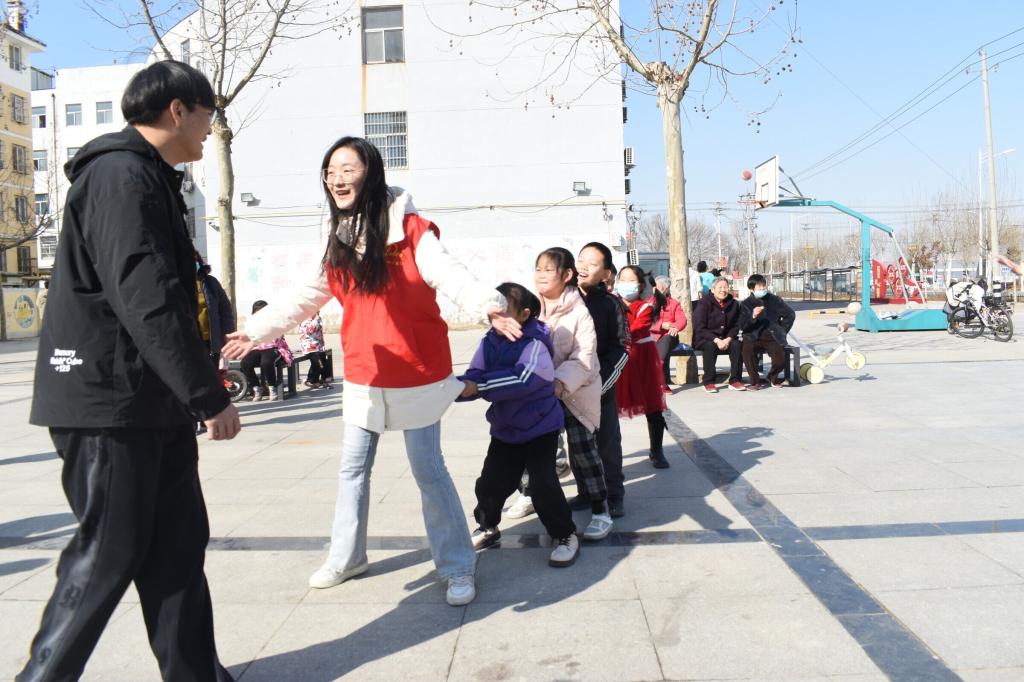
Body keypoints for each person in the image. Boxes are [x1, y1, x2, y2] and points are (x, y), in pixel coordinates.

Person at [221, 136, 515, 606]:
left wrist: (488, 305)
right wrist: (255, 330)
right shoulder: (337, 236)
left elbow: (448, 272)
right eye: (330, 171)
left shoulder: (411, 228)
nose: (337, 179)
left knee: (429, 471)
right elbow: (307, 294)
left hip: (416, 370)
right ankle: (347, 556)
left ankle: (458, 565)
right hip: (364, 369)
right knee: (353, 469)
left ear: (371, 173)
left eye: (348, 169)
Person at [21, 61, 239, 682]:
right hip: (109, 405)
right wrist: (206, 395)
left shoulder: (149, 177)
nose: (209, 129)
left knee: (177, 551)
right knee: (106, 555)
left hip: (150, 402)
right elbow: (147, 297)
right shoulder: (120, 176)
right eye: (207, 115)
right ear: (177, 110)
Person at [461, 283, 579, 567]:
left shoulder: (535, 343)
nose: (497, 315)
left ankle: (565, 534)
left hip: (540, 428)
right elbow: (475, 373)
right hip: (506, 428)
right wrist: (455, 388)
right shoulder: (489, 341)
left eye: (505, 310)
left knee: (542, 484)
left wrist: (479, 386)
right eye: (494, 309)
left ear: (525, 315)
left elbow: (524, 379)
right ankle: (487, 526)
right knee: (490, 483)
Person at [533, 246, 613, 540]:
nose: (541, 275)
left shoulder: (580, 312)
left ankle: (601, 510)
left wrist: (558, 383)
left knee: (584, 453)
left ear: (566, 275)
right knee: (533, 449)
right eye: (538, 269)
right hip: (540, 393)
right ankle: (529, 494)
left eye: (548, 269)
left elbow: (583, 357)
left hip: (576, 391)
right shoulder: (531, 307)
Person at [573, 242, 629, 516]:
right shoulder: (563, 299)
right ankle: (586, 492)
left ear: (606, 273)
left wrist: (600, 384)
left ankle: (614, 494)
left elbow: (622, 347)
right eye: (581, 260)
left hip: (600, 387)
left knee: (607, 442)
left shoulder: (610, 304)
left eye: (592, 264)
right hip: (568, 388)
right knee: (577, 444)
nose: (584, 267)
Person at [614, 266, 670, 469]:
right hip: (616, 358)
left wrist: (614, 334)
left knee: (653, 406)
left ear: (640, 285)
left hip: (641, 358)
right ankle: (608, 453)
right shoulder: (611, 303)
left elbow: (635, 329)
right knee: (608, 409)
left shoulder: (646, 306)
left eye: (631, 280)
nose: (626, 284)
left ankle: (657, 450)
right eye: (623, 280)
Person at [195, 250, 235, 433]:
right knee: (194, 380)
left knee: (211, 380)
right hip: (190, 342)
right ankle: (195, 416)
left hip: (210, 341)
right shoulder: (177, 282)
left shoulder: (210, 283)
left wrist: (227, 334)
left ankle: (208, 416)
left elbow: (225, 309)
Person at [738, 274, 795, 390]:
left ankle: (772, 377)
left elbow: (790, 315)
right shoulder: (745, 304)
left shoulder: (775, 300)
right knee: (747, 351)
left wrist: (782, 331)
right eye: (759, 287)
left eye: (764, 286)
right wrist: (753, 316)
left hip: (772, 336)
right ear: (752, 289)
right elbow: (742, 325)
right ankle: (755, 381)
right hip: (752, 336)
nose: (762, 289)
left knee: (780, 358)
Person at [692, 276, 744, 393]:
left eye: (725, 287)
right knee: (710, 346)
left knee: (737, 345)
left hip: (726, 338)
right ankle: (709, 381)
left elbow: (736, 325)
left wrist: (728, 339)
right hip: (706, 338)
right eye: (720, 287)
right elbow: (700, 327)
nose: (723, 290)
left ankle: (735, 380)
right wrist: (716, 340)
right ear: (713, 289)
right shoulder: (704, 303)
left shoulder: (734, 304)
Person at [238, 300, 293, 401]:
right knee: (245, 363)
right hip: (257, 347)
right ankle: (256, 388)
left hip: (273, 347)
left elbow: (277, 338)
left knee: (266, 362)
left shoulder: (275, 321)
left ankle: (272, 387)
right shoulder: (251, 323)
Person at [652, 274, 687, 390]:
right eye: (655, 287)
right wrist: (661, 325)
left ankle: (659, 380)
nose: (657, 290)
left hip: (669, 337)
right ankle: (662, 381)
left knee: (666, 339)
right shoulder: (649, 303)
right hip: (652, 337)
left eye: (660, 287)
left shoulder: (674, 303)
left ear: (666, 289)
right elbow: (645, 321)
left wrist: (675, 327)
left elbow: (682, 319)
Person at [299, 310, 331, 388]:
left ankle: (321, 380)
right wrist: (316, 320)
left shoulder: (317, 318)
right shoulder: (304, 319)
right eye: (316, 310)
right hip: (309, 346)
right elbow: (309, 330)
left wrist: (321, 340)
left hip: (318, 345)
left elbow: (319, 330)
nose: (318, 312)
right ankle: (311, 380)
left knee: (323, 360)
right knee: (318, 362)